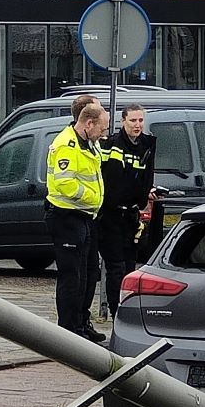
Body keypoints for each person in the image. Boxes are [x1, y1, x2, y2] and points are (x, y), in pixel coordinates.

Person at [46, 101, 108, 340]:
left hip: (84, 216)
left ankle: (81, 324)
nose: (103, 134)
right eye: (101, 129)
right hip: (67, 216)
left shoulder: (89, 143)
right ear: (89, 124)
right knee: (72, 277)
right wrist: (94, 198)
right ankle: (68, 332)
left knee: (88, 274)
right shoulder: (66, 145)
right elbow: (65, 184)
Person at [99, 103, 157, 318]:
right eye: (133, 120)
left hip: (131, 216)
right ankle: (116, 313)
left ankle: (128, 313)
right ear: (123, 121)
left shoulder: (146, 145)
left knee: (131, 268)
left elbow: (141, 178)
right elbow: (109, 179)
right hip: (111, 215)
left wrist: (147, 192)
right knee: (116, 268)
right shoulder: (113, 144)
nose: (137, 125)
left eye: (140, 120)